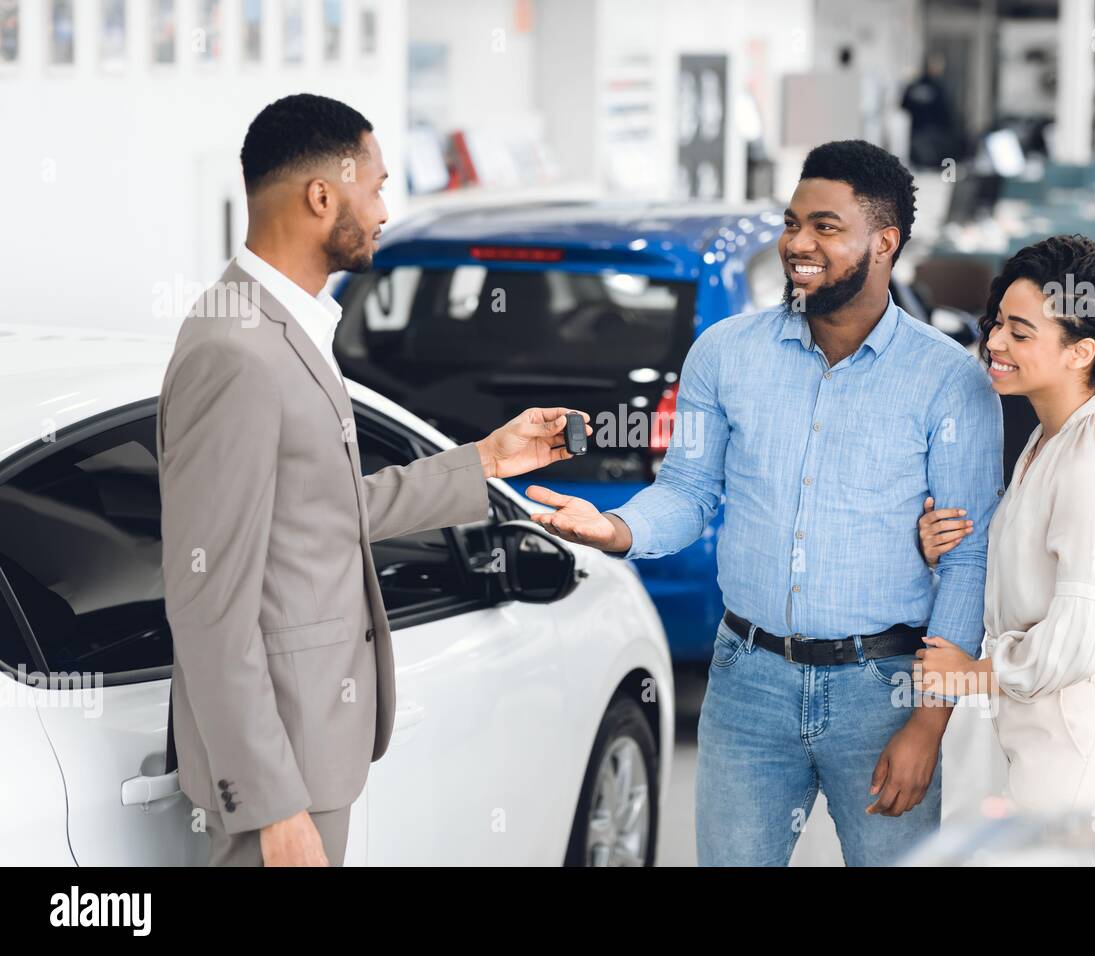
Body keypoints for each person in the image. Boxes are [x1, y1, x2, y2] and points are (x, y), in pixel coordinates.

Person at [527, 140, 1003, 866]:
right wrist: (618, 527)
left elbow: (968, 561)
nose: (797, 245)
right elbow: (687, 493)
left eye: (824, 227)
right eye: (790, 224)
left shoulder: (949, 382)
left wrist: (929, 725)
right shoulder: (724, 354)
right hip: (748, 683)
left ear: (885, 243)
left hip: (883, 691)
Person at [158, 93, 587, 866]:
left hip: (312, 753)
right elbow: (209, 604)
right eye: (379, 186)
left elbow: (321, 511)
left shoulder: (283, 325)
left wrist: (486, 460)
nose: (388, 209)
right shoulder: (237, 351)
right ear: (322, 197)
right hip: (280, 772)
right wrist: (272, 803)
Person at [915, 234, 1095, 813]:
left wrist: (971, 674)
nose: (995, 341)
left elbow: (1079, 630)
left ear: (1080, 352)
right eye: (998, 322)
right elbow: (1029, 578)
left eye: (1020, 333)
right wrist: (941, 550)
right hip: (1043, 729)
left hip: (1080, 743)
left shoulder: (1094, 458)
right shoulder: (1048, 437)